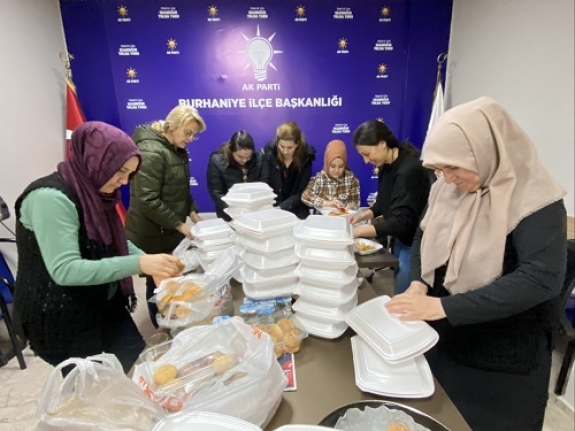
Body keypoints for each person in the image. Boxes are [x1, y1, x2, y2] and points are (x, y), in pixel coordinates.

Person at [386, 97, 567, 431]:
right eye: (441, 169)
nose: (447, 178)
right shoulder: (446, 189)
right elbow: (422, 236)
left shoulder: (537, 200)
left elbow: (540, 279)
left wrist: (444, 307)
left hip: (502, 363)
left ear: (486, 150)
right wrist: (418, 283)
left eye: (454, 167)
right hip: (446, 345)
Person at [13, 122, 182, 374]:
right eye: (120, 172)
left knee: (140, 366)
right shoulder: (50, 198)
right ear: (97, 161)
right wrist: (138, 264)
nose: (124, 182)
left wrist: (151, 263)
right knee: (92, 391)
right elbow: (66, 270)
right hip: (61, 315)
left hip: (103, 302)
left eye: (130, 174)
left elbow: (116, 242)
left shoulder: (96, 192)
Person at [124, 105, 206, 328]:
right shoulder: (151, 151)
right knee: (157, 280)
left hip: (166, 229)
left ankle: (173, 319)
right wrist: (180, 225)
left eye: (194, 135)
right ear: (172, 126)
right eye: (187, 132)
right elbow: (147, 200)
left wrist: (194, 215)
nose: (190, 138)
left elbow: (180, 190)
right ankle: (160, 326)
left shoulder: (176, 149)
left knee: (171, 276)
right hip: (150, 231)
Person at [348, 120, 431, 294]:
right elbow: (384, 203)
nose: (366, 160)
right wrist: (361, 217)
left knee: (404, 294)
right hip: (400, 240)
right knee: (398, 288)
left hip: (416, 245)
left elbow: (402, 221)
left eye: (367, 153)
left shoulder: (409, 170)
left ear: (382, 144)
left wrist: (357, 232)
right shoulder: (386, 165)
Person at [207, 130, 267, 221]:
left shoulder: (259, 159)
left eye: (248, 156)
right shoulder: (217, 161)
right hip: (228, 214)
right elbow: (216, 192)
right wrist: (236, 211)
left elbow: (263, 186)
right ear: (231, 151)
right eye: (240, 156)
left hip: (255, 213)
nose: (245, 160)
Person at [262, 121, 316, 219]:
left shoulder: (306, 156)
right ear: (277, 142)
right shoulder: (270, 152)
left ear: (298, 144)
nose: (285, 151)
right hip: (272, 208)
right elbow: (265, 183)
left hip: (298, 210)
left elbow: (302, 191)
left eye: (290, 147)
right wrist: (273, 208)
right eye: (282, 146)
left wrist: (281, 208)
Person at [301, 139, 360, 212]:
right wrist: (326, 203)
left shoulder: (351, 179)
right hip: (322, 219)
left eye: (341, 166)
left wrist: (349, 207)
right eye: (332, 166)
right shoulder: (319, 178)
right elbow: (305, 196)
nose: (336, 170)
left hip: (342, 218)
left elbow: (355, 201)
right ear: (327, 163)